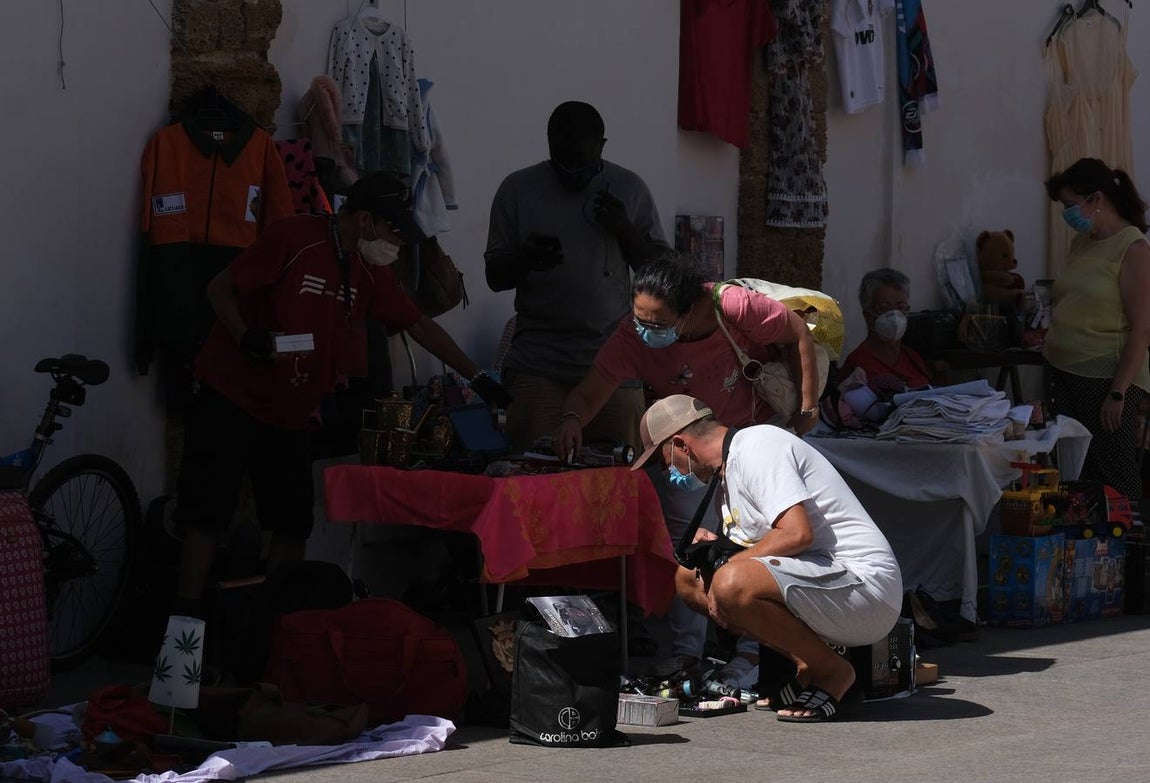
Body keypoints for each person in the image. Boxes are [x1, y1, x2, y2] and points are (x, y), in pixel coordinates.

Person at [172, 172, 511, 615]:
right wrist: (244, 336)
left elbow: (419, 325)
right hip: (231, 394)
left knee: (293, 523)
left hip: (290, 412)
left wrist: (478, 378)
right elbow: (219, 288)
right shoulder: (296, 237)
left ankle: (279, 630)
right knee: (206, 518)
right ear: (366, 221)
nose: (398, 243)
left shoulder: (371, 270)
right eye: (393, 231)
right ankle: (183, 632)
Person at [555, 255, 823, 686]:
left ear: (689, 309)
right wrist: (571, 419)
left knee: (760, 543)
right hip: (692, 451)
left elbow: (795, 334)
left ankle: (757, 653)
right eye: (639, 316)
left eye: (657, 322)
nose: (645, 328)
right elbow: (590, 394)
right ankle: (687, 653)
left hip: (753, 438)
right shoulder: (631, 338)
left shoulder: (733, 307)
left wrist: (807, 409)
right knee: (689, 549)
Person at [632, 394, 902, 722]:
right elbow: (767, 550)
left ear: (681, 444)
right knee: (688, 579)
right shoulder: (729, 473)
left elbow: (796, 534)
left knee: (731, 582)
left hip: (867, 589)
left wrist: (730, 568)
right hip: (829, 584)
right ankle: (807, 662)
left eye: (666, 461)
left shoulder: (757, 447)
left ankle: (833, 672)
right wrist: (718, 551)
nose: (671, 472)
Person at [484, 100, 669, 452]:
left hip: (611, 366)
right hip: (538, 366)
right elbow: (495, 275)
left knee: (618, 480)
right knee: (533, 481)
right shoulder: (518, 190)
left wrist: (623, 229)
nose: (571, 170)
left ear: (601, 146)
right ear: (548, 142)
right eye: (562, 160)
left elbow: (661, 275)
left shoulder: (628, 189)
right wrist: (525, 259)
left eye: (581, 162)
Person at [1044, 157, 1150, 501]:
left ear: (1097, 199)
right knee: (1072, 470)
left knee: (1112, 470)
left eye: (1071, 205)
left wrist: (1118, 392)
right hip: (1062, 370)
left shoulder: (1132, 248)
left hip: (1106, 378)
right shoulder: (1082, 243)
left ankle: (1128, 550)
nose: (1067, 213)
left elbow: (1141, 328)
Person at [837, 268, 932, 391]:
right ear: (868, 316)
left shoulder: (912, 358)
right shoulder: (857, 367)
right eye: (884, 308)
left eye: (901, 307)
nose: (895, 316)